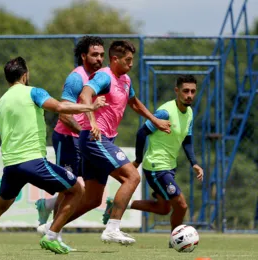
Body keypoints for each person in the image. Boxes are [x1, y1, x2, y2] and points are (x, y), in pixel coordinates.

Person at [0, 56, 107, 256]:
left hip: (12, 166)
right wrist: (90, 107)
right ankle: (51, 235)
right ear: (25, 75)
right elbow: (59, 107)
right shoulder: (34, 92)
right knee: (76, 189)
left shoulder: (0, 105)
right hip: (33, 162)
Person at [36, 40, 171, 245]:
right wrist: (91, 120)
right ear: (115, 59)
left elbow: (133, 103)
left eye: (132, 60)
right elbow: (86, 93)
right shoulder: (104, 76)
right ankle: (113, 228)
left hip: (101, 139)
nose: (131, 64)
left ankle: (52, 230)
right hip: (94, 138)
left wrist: (154, 120)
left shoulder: (125, 79)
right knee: (132, 177)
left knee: (93, 199)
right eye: (127, 60)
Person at [102, 74, 204, 247]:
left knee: (163, 208)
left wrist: (194, 162)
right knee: (181, 205)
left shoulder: (190, 113)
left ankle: (118, 204)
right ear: (177, 91)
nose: (189, 95)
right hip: (156, 166)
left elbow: (187, 139)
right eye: (186, 91)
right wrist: (138, 160)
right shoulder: (165, 112)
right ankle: (176, 242)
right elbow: (142, 133)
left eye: (193, 91)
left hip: (170, 166)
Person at [35, 36, 105, 250]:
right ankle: (55, 237)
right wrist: (82, 132)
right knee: (69, 188)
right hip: (67, 138)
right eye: (94, 55)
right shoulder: (77, 78)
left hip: (83, 140)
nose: (99, 59)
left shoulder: (100, 78)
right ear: (83, 56)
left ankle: (47, 205)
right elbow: (64, 113)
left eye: (102, 55)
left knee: (83, 189)